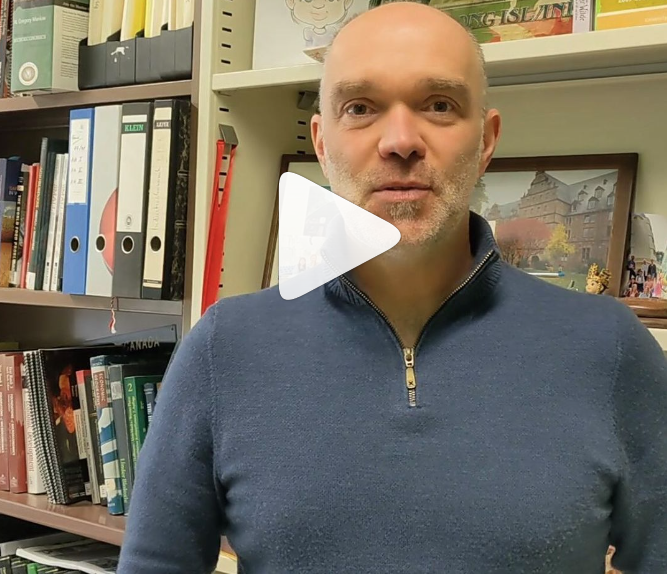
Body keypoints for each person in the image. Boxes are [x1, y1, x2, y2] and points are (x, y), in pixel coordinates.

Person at [117, 4, 667, 573]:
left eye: (439, 105)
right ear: (322, 143)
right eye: (360, 108)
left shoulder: (609, 350)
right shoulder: (222, 350)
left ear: (486, 141)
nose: (401, 141)